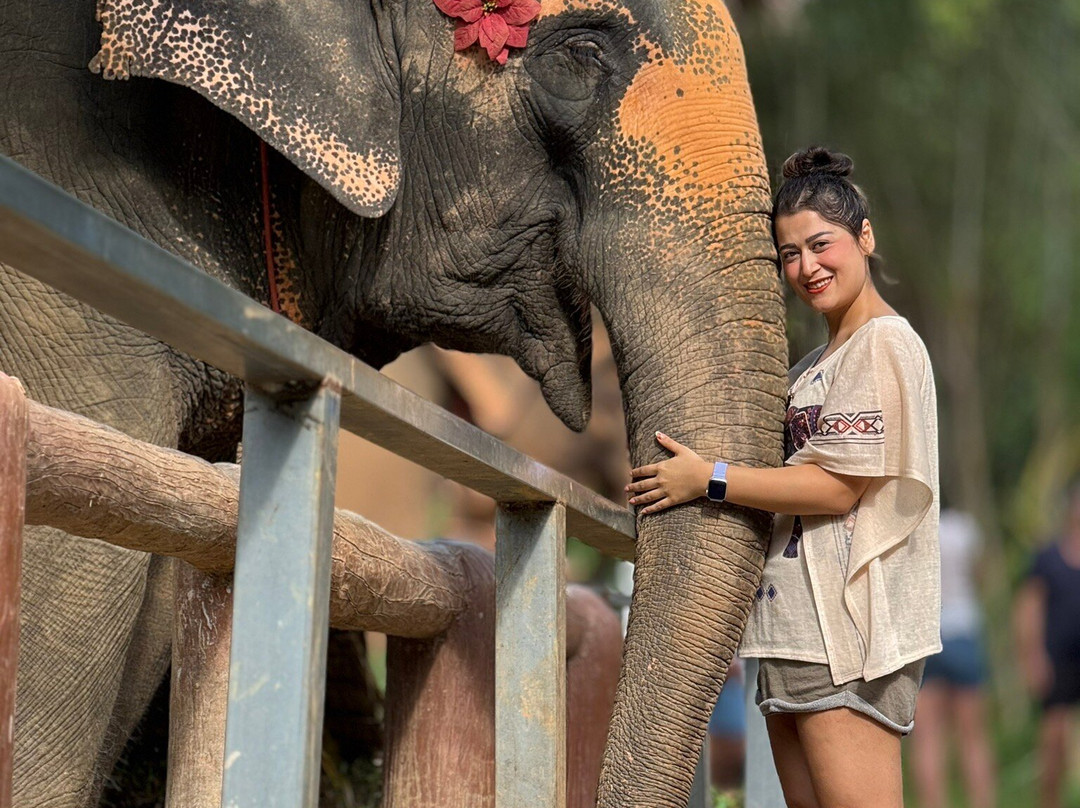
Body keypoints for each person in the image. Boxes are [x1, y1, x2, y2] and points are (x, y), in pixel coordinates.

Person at [625, 146, 940, 808]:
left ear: (864, 235)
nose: (806, 267)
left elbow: (835, 487)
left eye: (820, 244)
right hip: (792, 632)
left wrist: (707, 478)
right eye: (789, 254)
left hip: (847, 639)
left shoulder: (883, 343)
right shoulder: (811, 366)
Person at [912, 507, 997, 808]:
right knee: (973, 738)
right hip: (963, 630)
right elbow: (979, 575)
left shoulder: (914, 524)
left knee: (928, 739)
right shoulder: (965, 526)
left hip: (926, 634)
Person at [1013, 481, 1080, 808]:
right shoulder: (1048, 557)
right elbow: (1028, 610)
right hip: (1058, 662)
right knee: (1054, 740)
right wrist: (1032, 658)